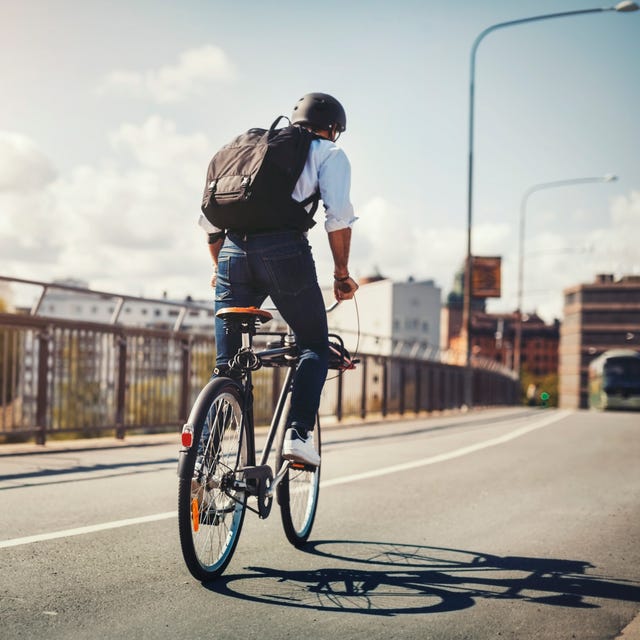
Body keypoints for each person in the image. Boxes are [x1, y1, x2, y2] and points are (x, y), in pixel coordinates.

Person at [197, 92, 358, 467]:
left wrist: (219, 268)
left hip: (232, 254)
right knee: (314, 346)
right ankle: (298, 435)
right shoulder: (329, 153)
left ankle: (202, 459)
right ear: (333, 128)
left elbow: (210, 225)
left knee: (228, 366)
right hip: (285, 253)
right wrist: (341, 275)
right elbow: (339, 218)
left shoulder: (248, 151)